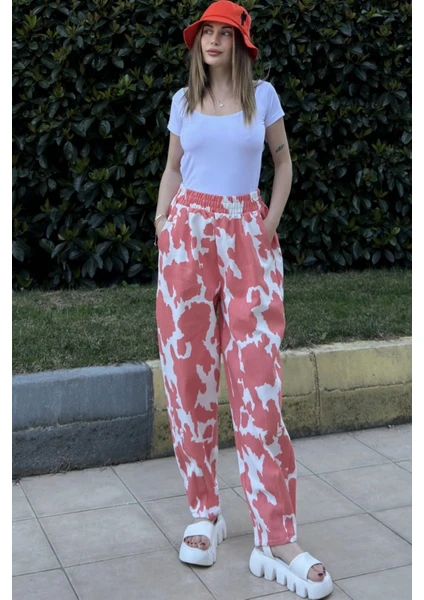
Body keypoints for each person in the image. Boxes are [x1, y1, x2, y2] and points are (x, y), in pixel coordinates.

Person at [154, 1, 332, 598]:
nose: (211, 41)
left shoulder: (264, 99)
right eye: (204, 32)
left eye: (223, 33)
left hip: (247, 242)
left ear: (240, 43)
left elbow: (283, 163)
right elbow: (173, 168)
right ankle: (204, 512)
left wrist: (268, 223)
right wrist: (162, 222)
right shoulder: (183, 103)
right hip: (187, 241)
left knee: (259, 384)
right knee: (187, 378)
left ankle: (275, 535)